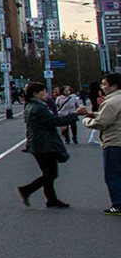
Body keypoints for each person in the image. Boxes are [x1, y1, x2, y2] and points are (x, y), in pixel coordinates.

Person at [16, 82, 87, 209]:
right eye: (43, 92)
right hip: (44, 144)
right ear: (35, 94)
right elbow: (54, 121)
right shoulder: (39, 108)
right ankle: (27, 190)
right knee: (51, 173)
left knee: (47, 173)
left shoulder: (30, 106)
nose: (46, 95)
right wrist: (75, 115)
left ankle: (51, 199)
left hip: (37, 143)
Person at [84, 72, 121, 215]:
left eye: (105, 84)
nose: (102, 87)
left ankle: (117, 204)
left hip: (115, 142)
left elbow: (102, 122)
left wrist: (86, 120)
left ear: (114, 86)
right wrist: (93, 113)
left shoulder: (111, 102)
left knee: (113, 175)